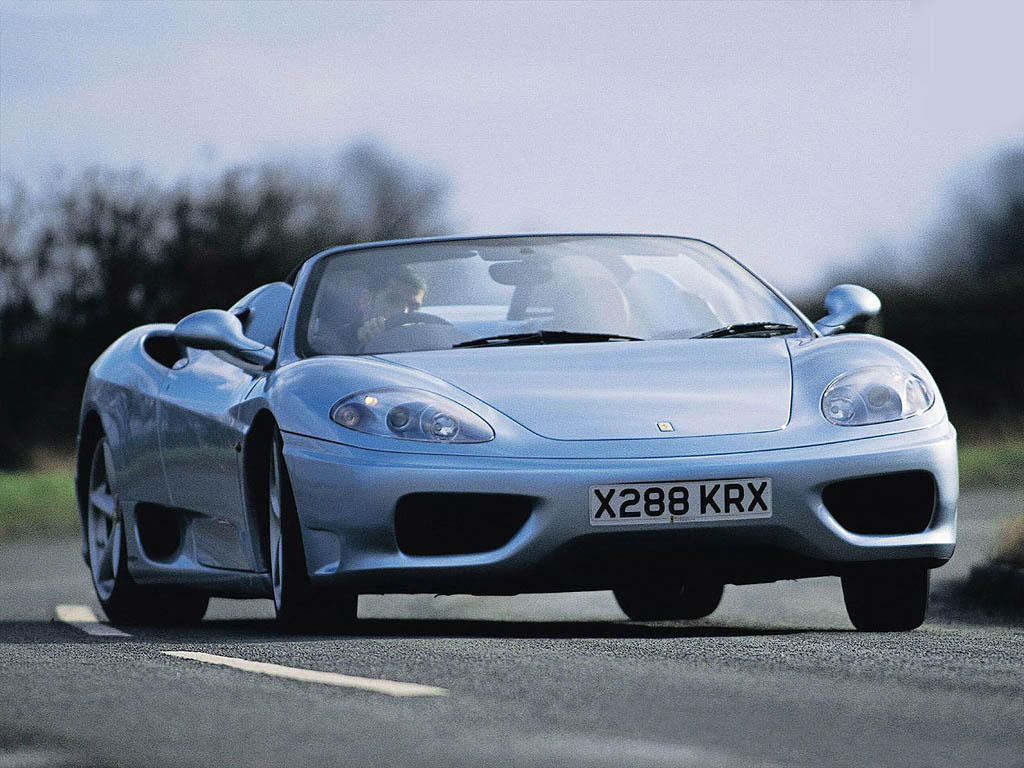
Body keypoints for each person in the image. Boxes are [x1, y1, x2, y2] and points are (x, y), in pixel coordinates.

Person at [350, 267, 427, 349]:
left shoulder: (426, 341)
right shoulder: (337, 343)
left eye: (414, 305)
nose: (405, 311)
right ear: (366, 300)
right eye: (394, 300)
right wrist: (361, 345)